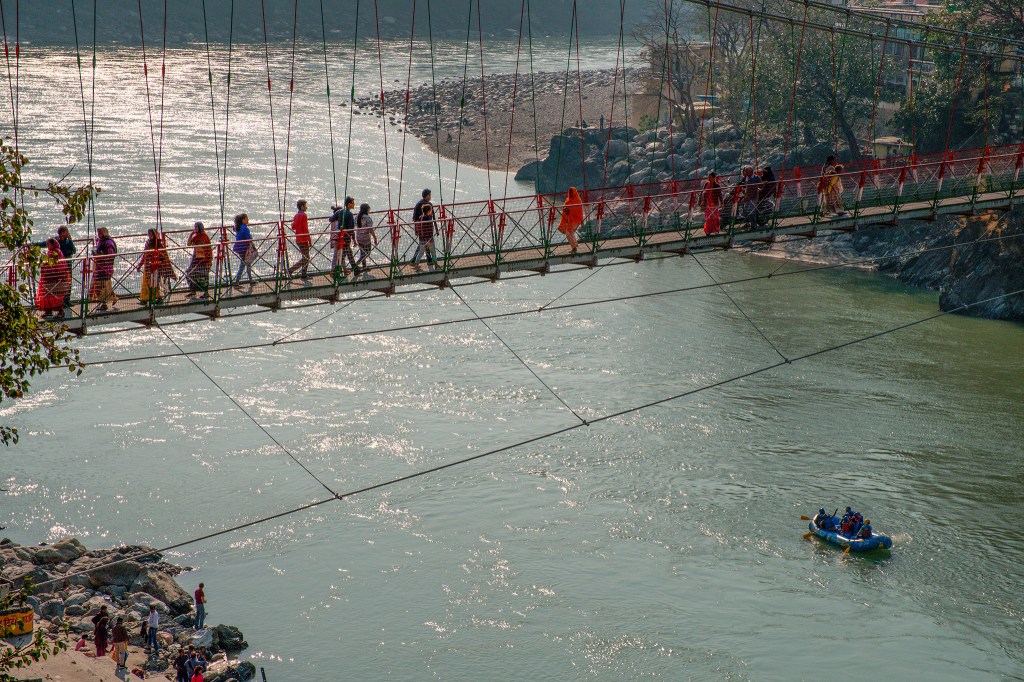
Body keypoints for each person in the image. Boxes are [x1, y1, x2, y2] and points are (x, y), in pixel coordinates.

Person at [36, 238, 71, 319]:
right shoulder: (49, 252)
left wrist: (46, 264)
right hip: (49, 277)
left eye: (49, 244)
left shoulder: (57, 252)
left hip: (56, 276)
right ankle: (48, 310)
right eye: (47, 244)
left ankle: (60, 311)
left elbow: (58, 264)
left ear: (53, 244)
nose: (48, 246)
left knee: (56, 295)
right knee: (47, 294)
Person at [89, 227, 119, 311]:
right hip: (99, 266)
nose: (99, 235)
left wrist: (99, 255)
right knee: (104, 285)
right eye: (98, 233)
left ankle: (104, 303)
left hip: (105, 267)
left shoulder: (108, 242)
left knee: (103, 285)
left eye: (101, 233)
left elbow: (110, 255)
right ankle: (113, 298)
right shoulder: (101, 241)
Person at [137, 228, 167, 304]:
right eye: (149, 234)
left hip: (156, 265)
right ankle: (145, 299)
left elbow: (163, 255)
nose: (149, 236)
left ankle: (158, 297)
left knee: (156, 282)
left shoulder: (158, 243)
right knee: (146, 282)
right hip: (148, 265)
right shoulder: (147, 243)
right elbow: (145, 255)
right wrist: (140, 264)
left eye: (151, 234)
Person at [331, 197, 358, 282]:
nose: (354, 204)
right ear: (349, 204)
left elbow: (331, 219)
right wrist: (353, 239)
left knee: (342, 254)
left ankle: (353, 269)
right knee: (346, 254)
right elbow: (351, 229)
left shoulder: (340, 212)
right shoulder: (349, 214)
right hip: (345, 237)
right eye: (353, 203)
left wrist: (338, 219)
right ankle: (355, 269)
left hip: (339, 236)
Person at [411, 189, 438, 269]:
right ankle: (431, 262)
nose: (430, 197)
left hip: (420, 229)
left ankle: (414, 261)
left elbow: (415, 218)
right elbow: (433, 218)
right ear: (427, 196)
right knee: (428, 247)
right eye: (430, 195)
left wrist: (416, 230)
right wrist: (436, 228)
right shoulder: (429, 205)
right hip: (428, 233)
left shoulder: (418, 204)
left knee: (421, 245)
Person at [185, 222, 213, 298]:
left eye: (196, 227)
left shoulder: (204, 236)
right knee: (189, 274)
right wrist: (191, 235)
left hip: (203, 259)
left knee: (203, 276)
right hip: (196, 258)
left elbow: (203, 248)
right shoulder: (196, 236)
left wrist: (204, 259)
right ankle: (193, 290)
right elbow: (189, 244)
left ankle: (205, 292)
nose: (195, 229)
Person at [731, 165, 763, 230]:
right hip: (747, 197)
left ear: (751, 171)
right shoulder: (747, 178)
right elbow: (744, 185)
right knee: (746, 210)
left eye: (746, 171)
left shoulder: (757, 178)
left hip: (754, 197)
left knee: (750, 211)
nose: (745, 173)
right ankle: (749, 223)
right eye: (745, 171)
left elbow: (761, 186)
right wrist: (742, 188)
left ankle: (753, 226)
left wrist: (758, 189)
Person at [287, 199, 312, 279]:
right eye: (305, 206)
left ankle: (303, 274)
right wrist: (309, 240)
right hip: (304, 239)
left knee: (305, 257)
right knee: (306, 257)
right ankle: (292, 270)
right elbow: (306, 229)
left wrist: (292, 224)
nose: (306, 208)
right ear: (302, 207)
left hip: (298, 239)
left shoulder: (296, 216)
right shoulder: (304, 216)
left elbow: (294, 227)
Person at [353, 203, 379, 276]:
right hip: (366, 238)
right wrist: (375, 238)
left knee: (362, 252)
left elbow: (354, 226)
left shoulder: (357, 216)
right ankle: (355, 265)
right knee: (367, 253)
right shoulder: (367, 218)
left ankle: (364, 266)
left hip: (358, 237)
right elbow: (370, 230)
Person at [557, 186, 584, 254]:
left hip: (575, 220)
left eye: (572, 192)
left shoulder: (577, 200)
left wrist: (568, 209)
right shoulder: (568, 199)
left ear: (575, 192)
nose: (571, 194)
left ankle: (574, 247)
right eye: (570, 192)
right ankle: (574, 247)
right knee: (570, 233)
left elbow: (577, 210)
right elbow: (564, 207)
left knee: (568, 233)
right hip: (569, 220)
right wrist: (565, 209)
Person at [232, 213, 255, 287]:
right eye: (246, 218)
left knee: (247, 263)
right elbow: (249, 238)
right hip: (244, 248)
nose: (248, 219)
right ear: (243, 220)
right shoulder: (245, 228)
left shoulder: (238, 227)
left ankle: (250, 279)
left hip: (239, 248)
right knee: (244, 264)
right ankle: (237, 280)